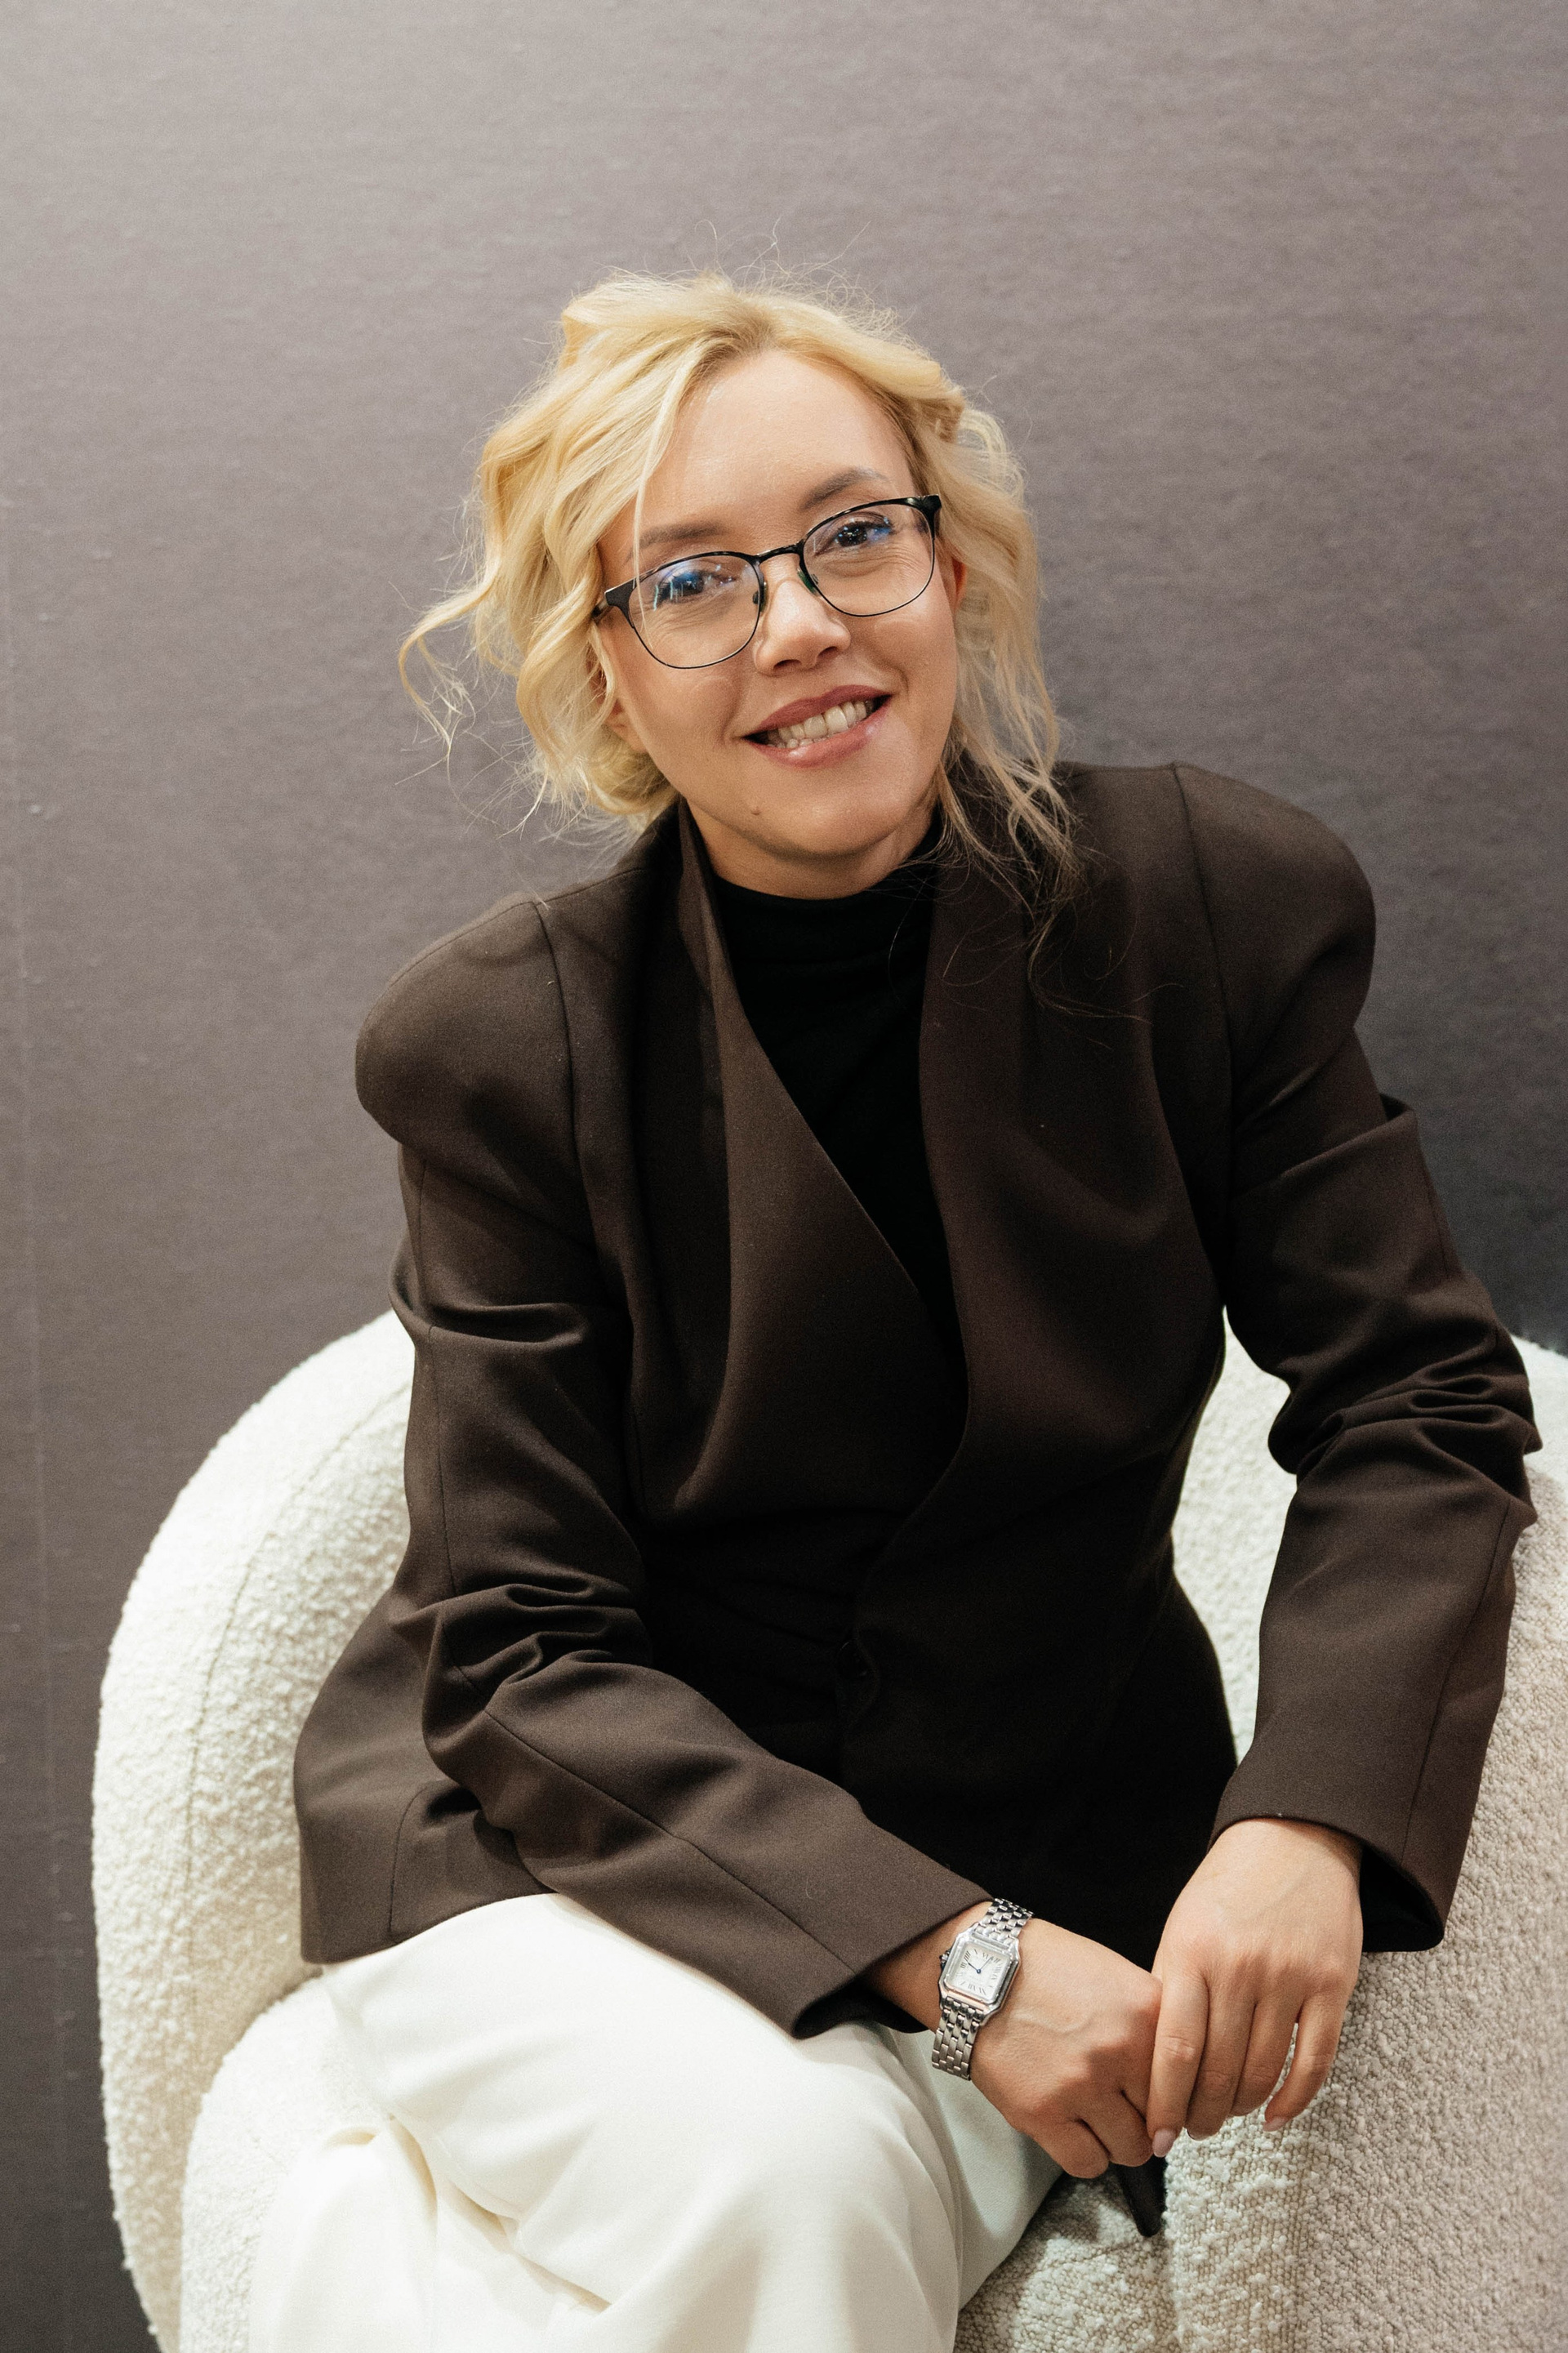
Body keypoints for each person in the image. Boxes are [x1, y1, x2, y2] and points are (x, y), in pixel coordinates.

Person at [257, 271, 1538, 2353]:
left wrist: (1305, 1815)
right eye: (693, 581)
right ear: (610, 670)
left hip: (1037, 1848)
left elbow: (1419, 1400)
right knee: (791, 2178)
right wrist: (963, 1966)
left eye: (853, 533)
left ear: (951, 563)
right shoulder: (497, 1049)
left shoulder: (1211, 912)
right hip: (548, 1862)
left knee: (804, 2192)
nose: (797, 624)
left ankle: (391, 2245)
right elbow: (520, 1651)